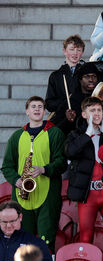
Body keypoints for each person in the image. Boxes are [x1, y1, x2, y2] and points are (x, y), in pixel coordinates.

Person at [1, 96, 65, 249]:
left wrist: (44, 169)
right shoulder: (16, 136)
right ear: (27, 111)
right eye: (33, 106)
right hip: (22, 194)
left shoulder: (55, 133)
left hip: (48, 195)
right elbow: (7, 166)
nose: (37, 109)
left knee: (45, 242)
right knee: (21, 242)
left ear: (44, 111)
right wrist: (16, 180)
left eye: (40, 107)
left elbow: (62, 163)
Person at [65, 97, 103, 244]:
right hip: (87, 194)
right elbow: (70, 152)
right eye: (92, 110)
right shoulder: (75, 135)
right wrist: (87, 134)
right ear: (84, 114)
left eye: (99, 110)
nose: (96, 114)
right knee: (85, 233)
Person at [45, 35, 85, 131]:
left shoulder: (87, 74)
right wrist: (66, 103)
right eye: (72, 49)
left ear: (82, 53)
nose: (75, 53)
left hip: (82, 121)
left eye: (78, 50)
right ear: (64, 51)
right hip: (61, 121)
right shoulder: (55, 76)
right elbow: (49, 103)